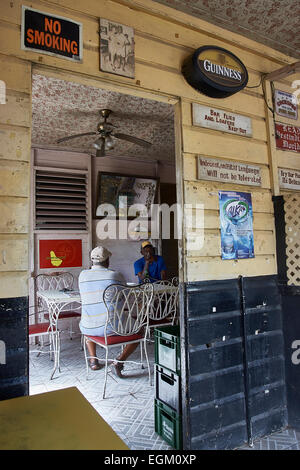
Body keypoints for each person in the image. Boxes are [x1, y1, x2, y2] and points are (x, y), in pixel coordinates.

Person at [79, 245, 138, 377]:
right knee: (140, 328)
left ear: (92, 261)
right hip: (110, 328)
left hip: (86, 328)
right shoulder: (114, 275)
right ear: (107, 261)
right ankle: (118, 362)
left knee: (91, 317)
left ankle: (93, 360)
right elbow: (126, 296)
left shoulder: (82, 275)